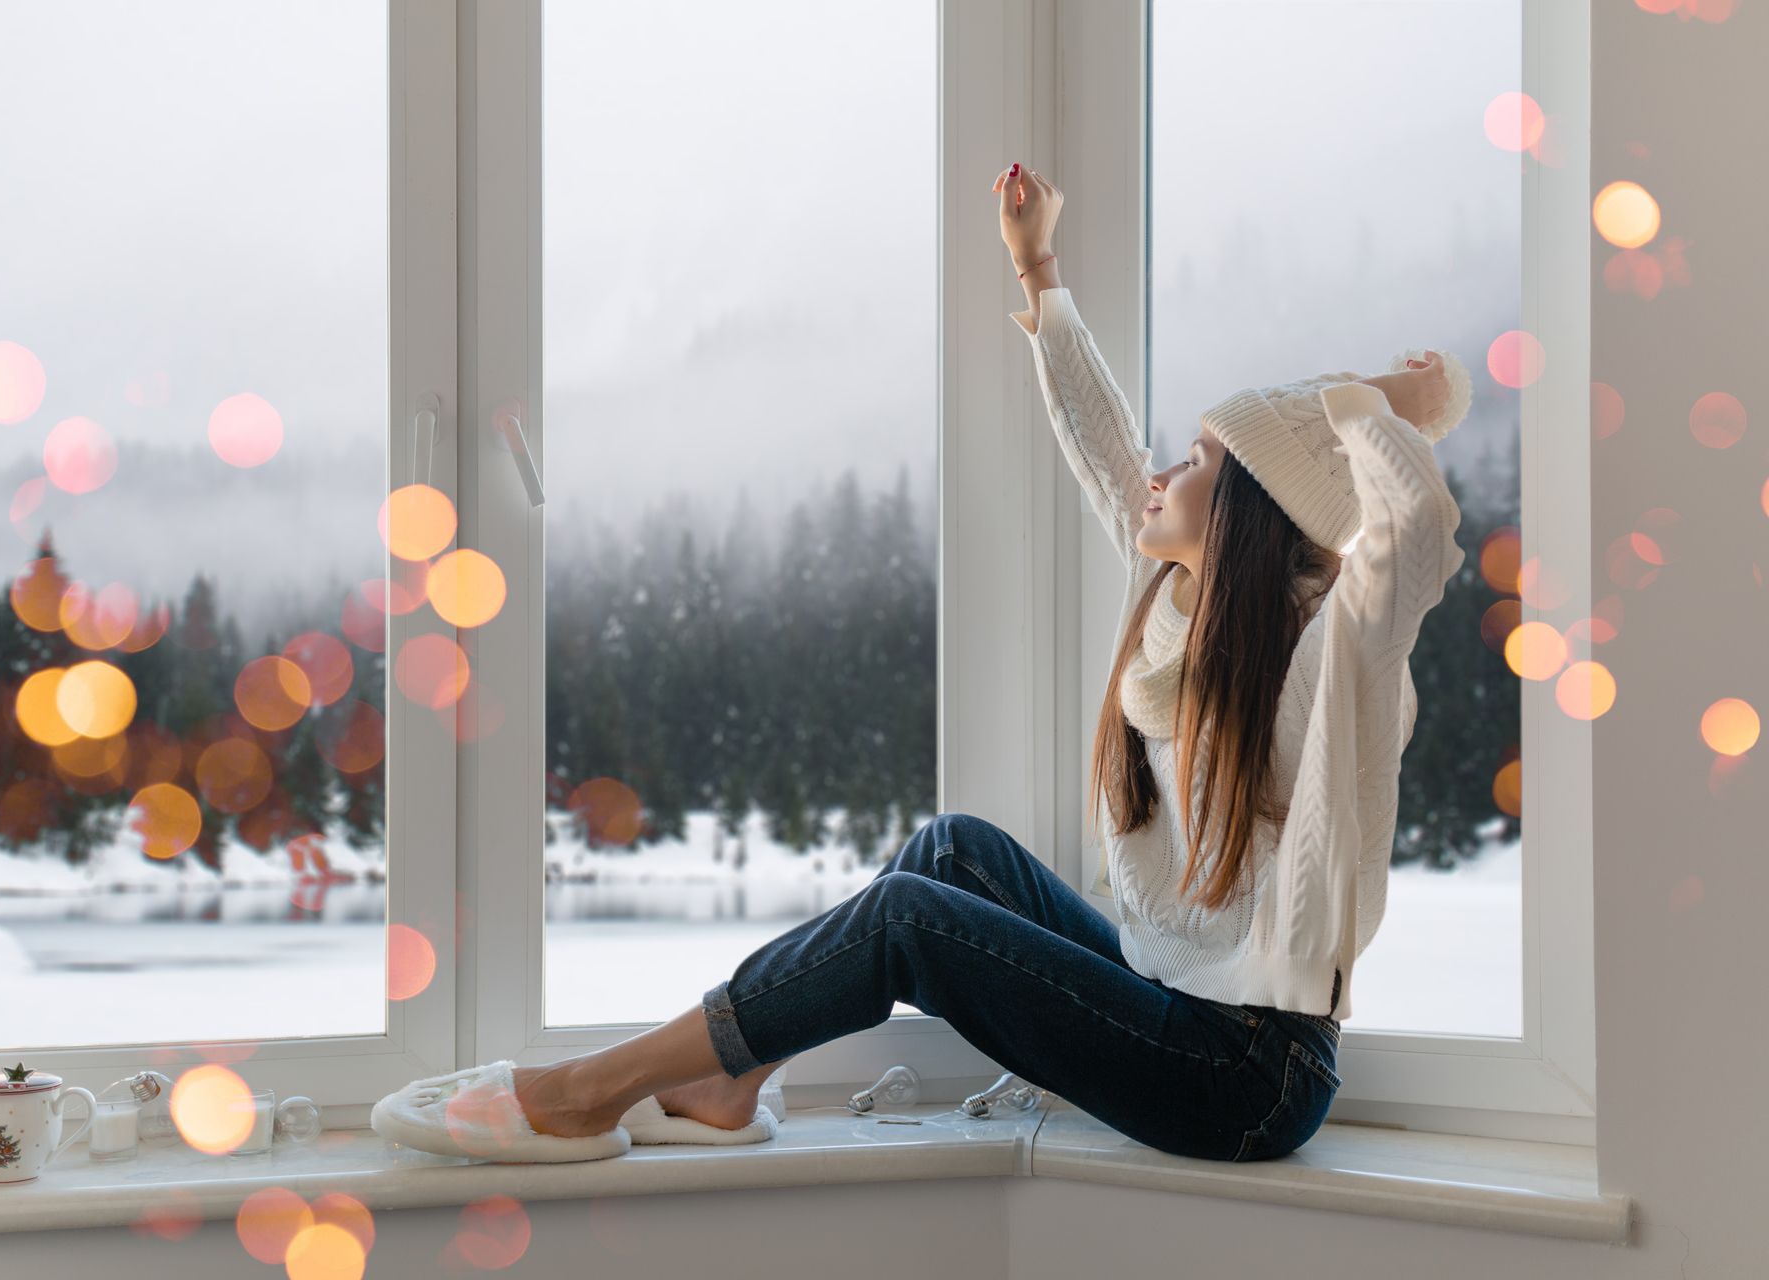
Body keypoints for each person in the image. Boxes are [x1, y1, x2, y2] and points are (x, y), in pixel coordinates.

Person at [497, 162, 1469, 1164]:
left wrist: (1379, 403)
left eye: (1197, 461)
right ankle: (728, 1077)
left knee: (907, 919)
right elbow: (1106, 452)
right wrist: (1037, 267)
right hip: (1176, 1005)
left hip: (1252, 1073)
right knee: (951, 851)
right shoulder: (1180, 605)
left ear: (1251, 508)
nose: (1161, 472)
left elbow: (1418, 534)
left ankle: (593, 1087)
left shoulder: (1329, 652)